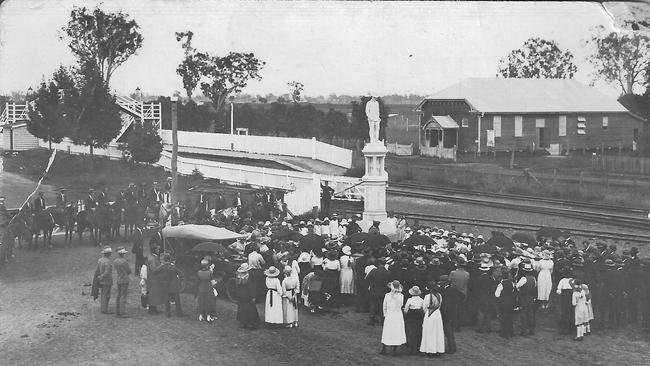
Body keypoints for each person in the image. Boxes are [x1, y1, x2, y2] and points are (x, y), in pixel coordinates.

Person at [380, 280, 406, 356]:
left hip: (396, 314)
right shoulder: (387, 295)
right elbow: (384, 306)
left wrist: (395, 295)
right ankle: (384, 348)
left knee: (395, 331)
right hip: (391, 314)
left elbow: (400, 304)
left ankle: (393, 349)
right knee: (388, 330)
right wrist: (385, 314)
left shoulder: (400, 296)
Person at [420, 282, 445, 357]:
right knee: (437, 332)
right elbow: (440, 305)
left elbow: (424, 306)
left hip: (429, 314)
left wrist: (426, 313)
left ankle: (430, 349)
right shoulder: (440, 296)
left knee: (429, 331)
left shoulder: (427, 296)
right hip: (437, 314)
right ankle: (437, 349)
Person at [439, 275, 461, 353]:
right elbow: (462, 296)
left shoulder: (443, 290)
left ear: (445, 282)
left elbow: (462, 297)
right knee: (449, 330)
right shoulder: (452, 289)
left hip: (446, 313)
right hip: (450, 312)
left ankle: (451, 348)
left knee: (448, 330)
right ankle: (451, 347)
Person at [367, 258, 392, 326]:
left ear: (378, 263)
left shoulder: (374, 271)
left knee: (373, 305)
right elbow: (390, 283)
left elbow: (367, 279)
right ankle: (382, 320)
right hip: (383, 292)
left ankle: (371, 320)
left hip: (374, 291)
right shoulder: (388, 272)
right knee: (382, 306)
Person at [235, 263, 260, 329]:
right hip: (247, 294)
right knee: (249, 308)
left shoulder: (238, 276)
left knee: (242, 307)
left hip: (240, 294)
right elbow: (251, 287)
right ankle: (250, 323)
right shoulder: (248, 277)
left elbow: (237, 286)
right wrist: (253, 296)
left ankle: (243, 322)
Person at [517, 263, 537, 336]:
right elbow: (535, 287)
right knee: (530, 313)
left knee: (523, 313)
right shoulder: (534, 279)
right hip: (531, 297)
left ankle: (524, 330)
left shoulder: (523, 278)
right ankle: (531, 330)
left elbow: (517, 286)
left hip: (524, 297)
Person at [495, 268, 516, 338]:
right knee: (510, 317)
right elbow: (513, 291)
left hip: (503, 303)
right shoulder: (511, 283)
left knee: (503, 318)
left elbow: (497, 295)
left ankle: (505, 333)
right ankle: (511, 332)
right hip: (510, 302)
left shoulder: (501, 284)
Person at [403, 286, 424, 355]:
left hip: (411, 315)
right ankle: (417, 347)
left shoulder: (409, 300)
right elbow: (423, 309)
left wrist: (405, 313)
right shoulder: (421, 300)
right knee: (418, 331)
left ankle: (412, 348)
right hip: (418, 316)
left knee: (411, 331)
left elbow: (406, 310)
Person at [113, 247, 132, 317]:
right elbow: (129, 271)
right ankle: (122, 312)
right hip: (125, 279)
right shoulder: (124, 261)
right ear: (123, 254)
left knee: (118, 295)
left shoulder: (115, 261)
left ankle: (117, 311)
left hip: (119, 278)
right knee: (123, 296)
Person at [96, 246, 114, 314]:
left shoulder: (100, 260)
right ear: (108, 254)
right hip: (107, 280)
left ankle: (103, 308)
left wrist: (100, 277)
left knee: (103, 294)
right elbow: (107, 272)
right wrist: (102, 276)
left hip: (102, 280)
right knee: (107, 295)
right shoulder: (108, 261)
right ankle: (104, 309)